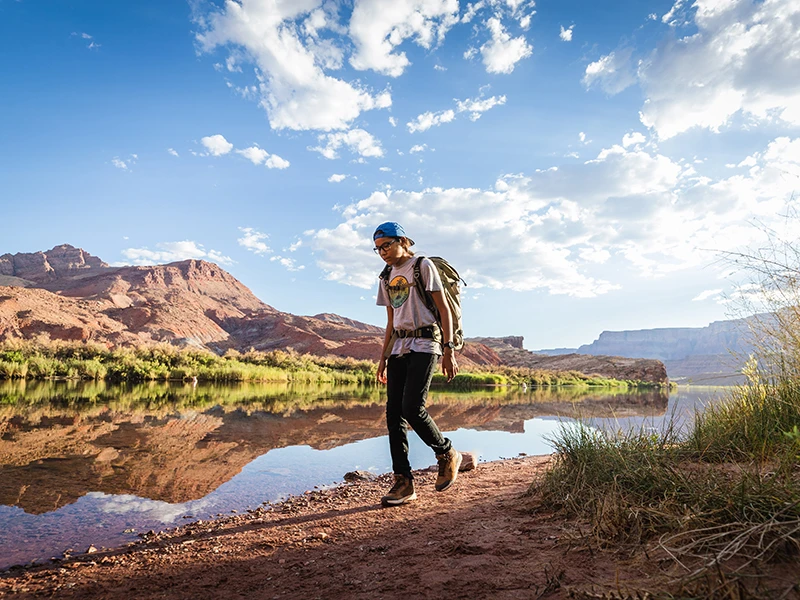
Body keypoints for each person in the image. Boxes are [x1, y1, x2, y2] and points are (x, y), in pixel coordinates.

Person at [373, 221, 462, 507]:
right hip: (399, 346)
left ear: (403, 241)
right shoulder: (386, 276)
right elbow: (390, 321)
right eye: (378, 249)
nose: (383, 252)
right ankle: (403, 481)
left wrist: (449, 350)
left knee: (412, 406)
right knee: (393, 414)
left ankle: (447, 452)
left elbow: (444, 308)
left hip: (426, 343)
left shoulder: (421, 266)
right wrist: (382, 358)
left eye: (386, 245)